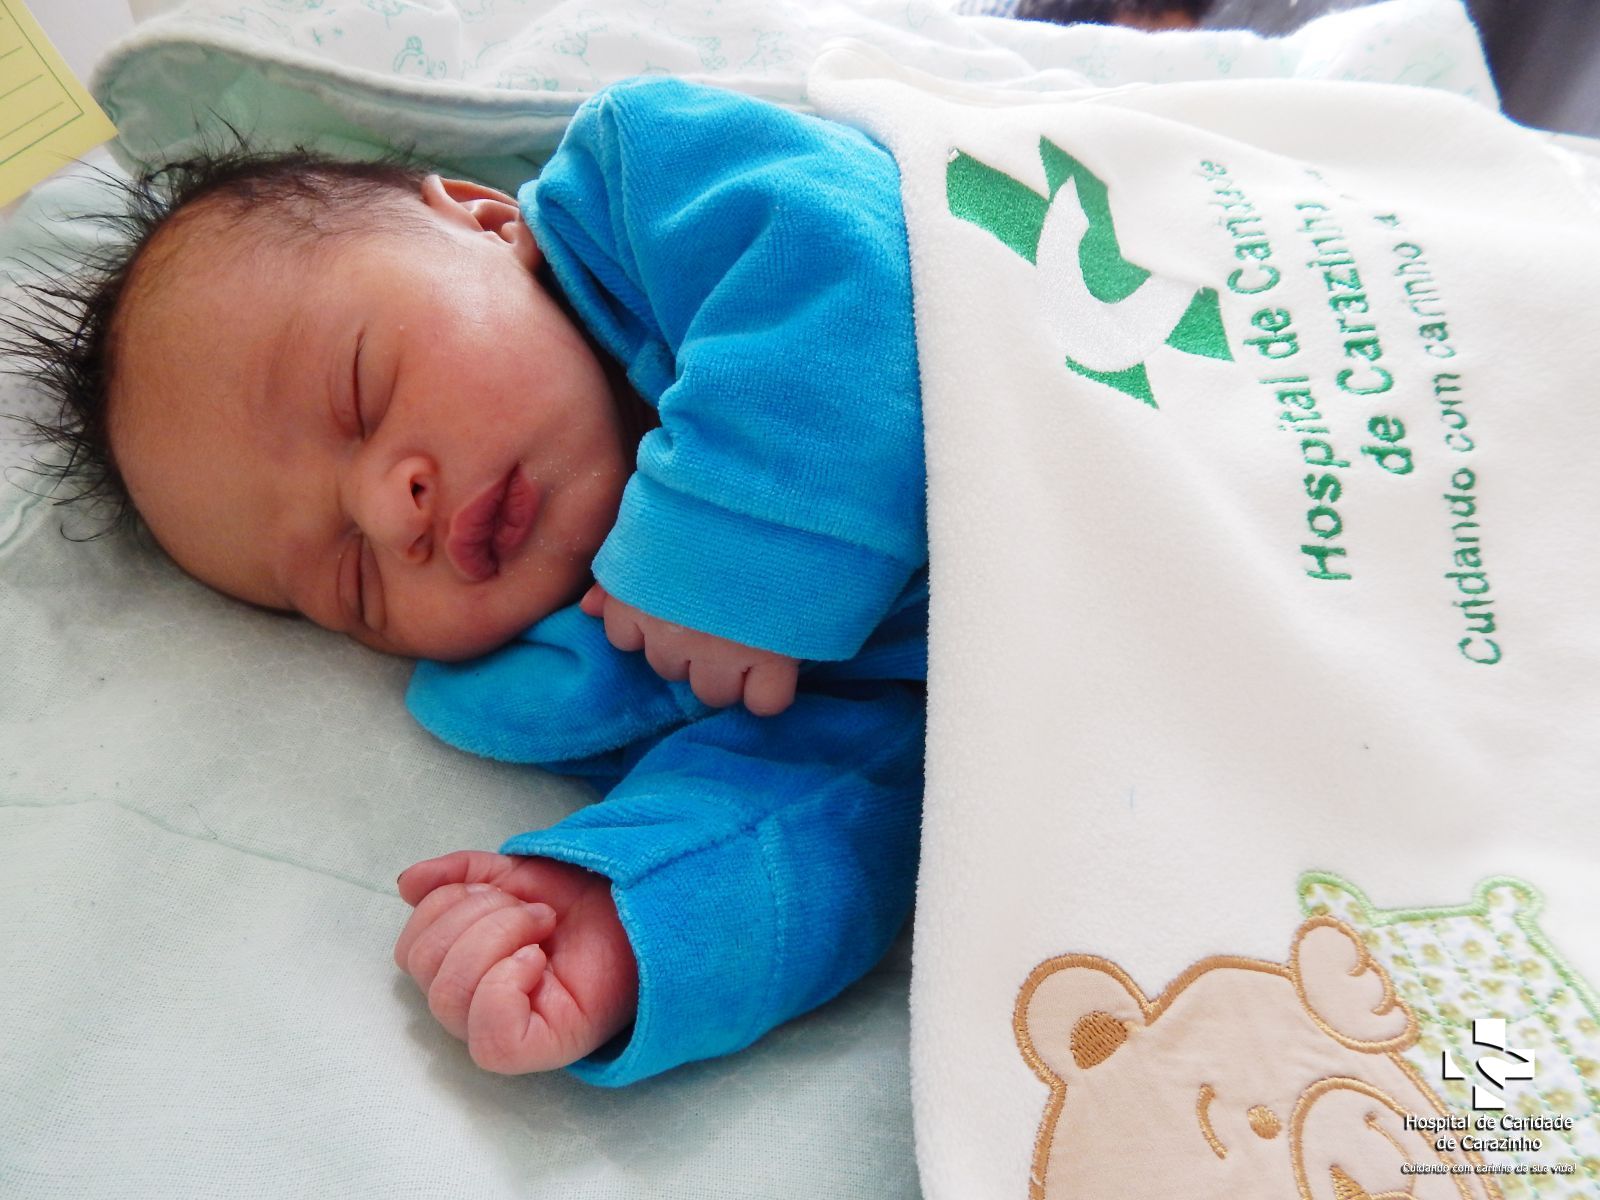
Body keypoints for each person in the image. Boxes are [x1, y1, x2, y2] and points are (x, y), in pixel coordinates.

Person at [17, 77, 927, 1086]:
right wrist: (619, 911)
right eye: (352, 579)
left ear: (487, 220)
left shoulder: (656, 183)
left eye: (361, 392)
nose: (387, 512)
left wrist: (727, 546)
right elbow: (848, 807)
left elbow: (850, 252)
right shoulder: (625, 670)